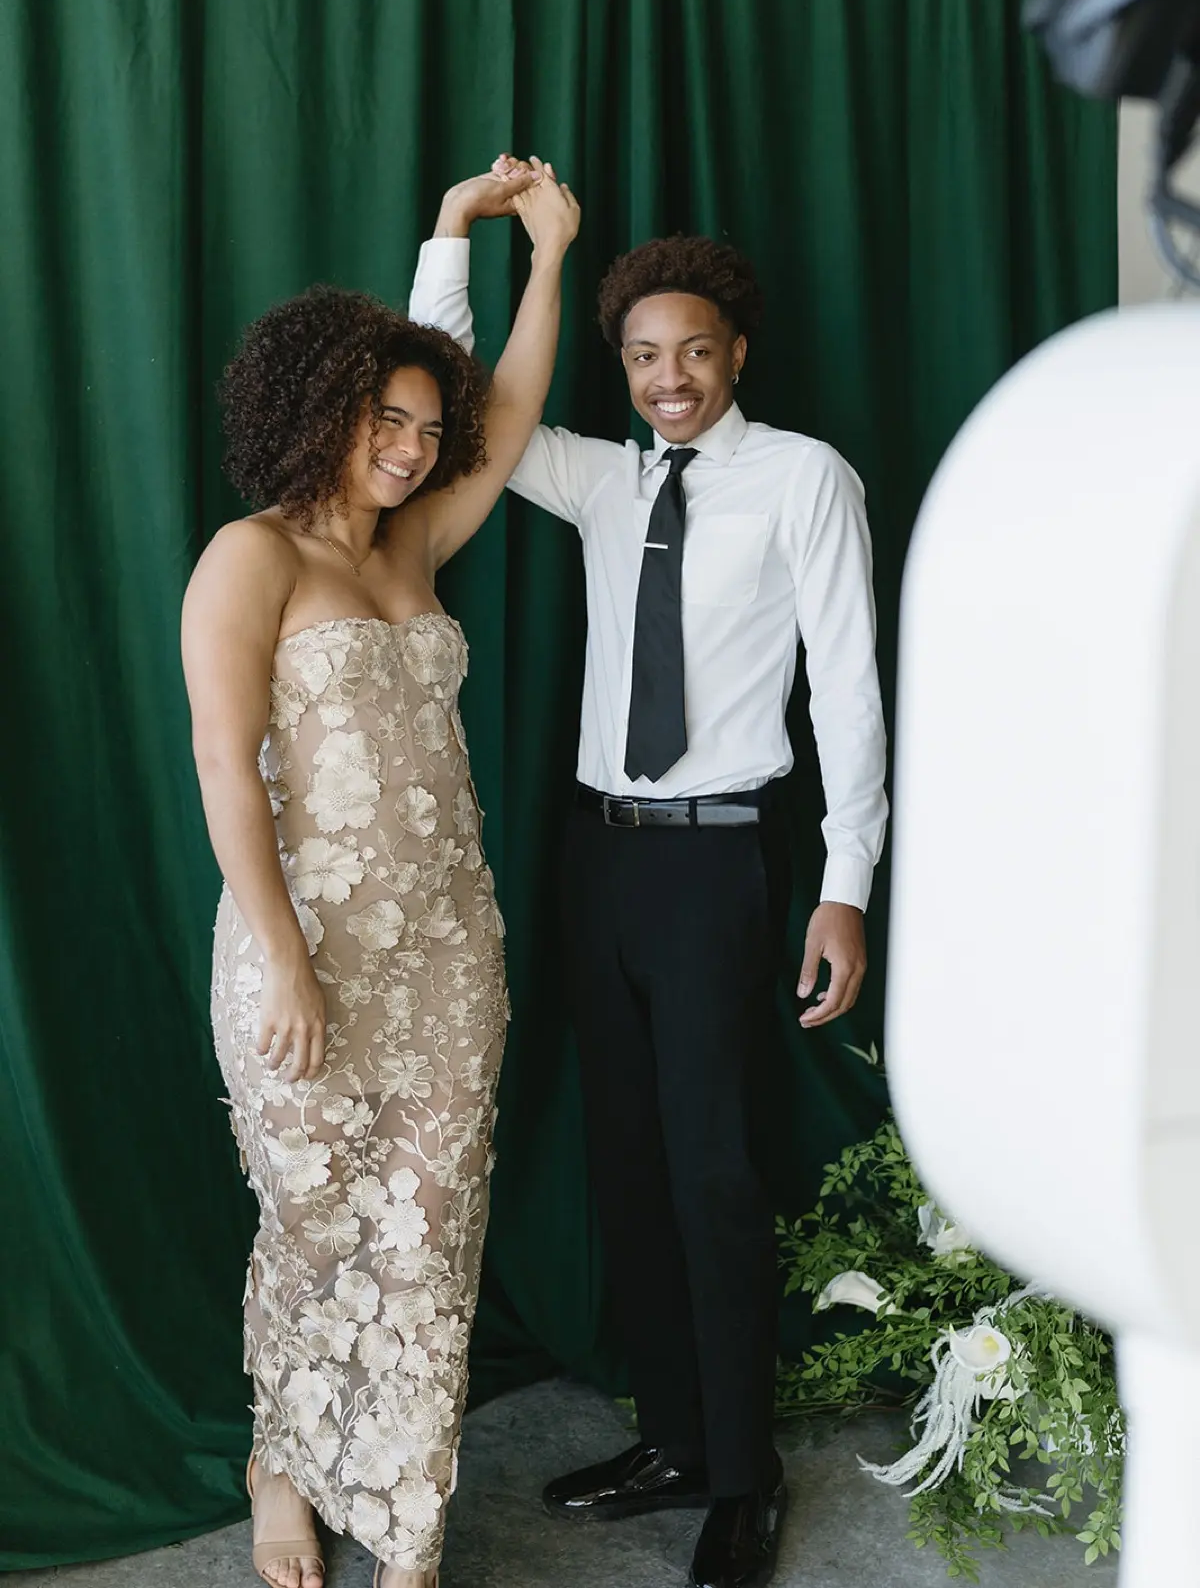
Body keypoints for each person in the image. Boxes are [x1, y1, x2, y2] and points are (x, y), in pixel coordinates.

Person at [407, 226, 888, 1588]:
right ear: (619, 368)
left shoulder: (804, 481)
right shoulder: (602, 479)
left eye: (690, 351)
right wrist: (460, 240)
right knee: (627, 1163)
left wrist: (844, 887)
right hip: (599, 858)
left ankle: (743, 1472)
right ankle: (673, 1436)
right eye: (640, 356)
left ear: (737, 351)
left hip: (720, 861)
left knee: (714, 1172)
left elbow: (847, 690)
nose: (667, 378)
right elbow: (457, 407)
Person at [181, 158, 580, 1588]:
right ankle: (281, 1459)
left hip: (448, 948)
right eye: (383, 418)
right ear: (317, 411)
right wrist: (283, 956)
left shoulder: (416, 545)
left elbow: (513, 409)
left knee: (431, 1235)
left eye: (425, 425)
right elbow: (229, 771)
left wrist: (541, 255)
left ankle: (407, 1527)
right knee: (316, 1220)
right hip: (304, 953)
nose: (411, 448)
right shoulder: (250, 558)